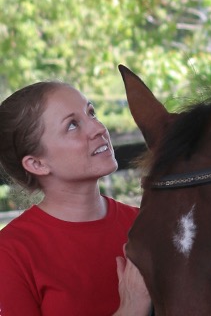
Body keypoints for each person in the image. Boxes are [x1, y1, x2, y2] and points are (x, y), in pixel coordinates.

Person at [0, 81, 151, 316]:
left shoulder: (145, 226)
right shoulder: (11, 252)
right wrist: (129, 310)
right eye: (72, 125)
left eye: (91, 113)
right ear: (37, 164)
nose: (98, 128)